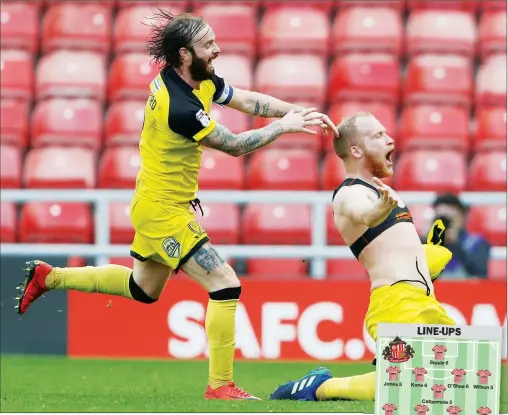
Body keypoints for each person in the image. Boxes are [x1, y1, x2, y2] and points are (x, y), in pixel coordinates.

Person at [15, 10, 338, 401]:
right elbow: (234, 146)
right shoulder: (179, 106)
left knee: (143, 289)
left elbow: (245, 99)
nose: (217, 49)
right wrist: (280, 129)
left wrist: (292, 112)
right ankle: (220, 386)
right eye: (208, 45)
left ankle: (50, 278)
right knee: (225, 284)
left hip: (158, 204)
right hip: (164, 211)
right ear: (185, 54)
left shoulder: (193, 79)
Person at [270, 112, 454, 402]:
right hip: (396, 303)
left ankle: (338, 382)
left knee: (456, 381)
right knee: (414, 387)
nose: (390, 139)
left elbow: (399, 256)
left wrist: (431, 253)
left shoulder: (386, 193)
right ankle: (318, 387)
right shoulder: (350, 193)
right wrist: (376, 211)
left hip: (424, 301)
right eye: (379, 135)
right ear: (356, 150)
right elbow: (363, 214)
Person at [432, 192, 490, 279]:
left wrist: (455, 245)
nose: (446, 223)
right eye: (441, 218)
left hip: (466, 291)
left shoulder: (476, 243)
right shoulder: (424, 243)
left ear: (462, 218)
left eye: (452, 218)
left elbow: (480, 275)